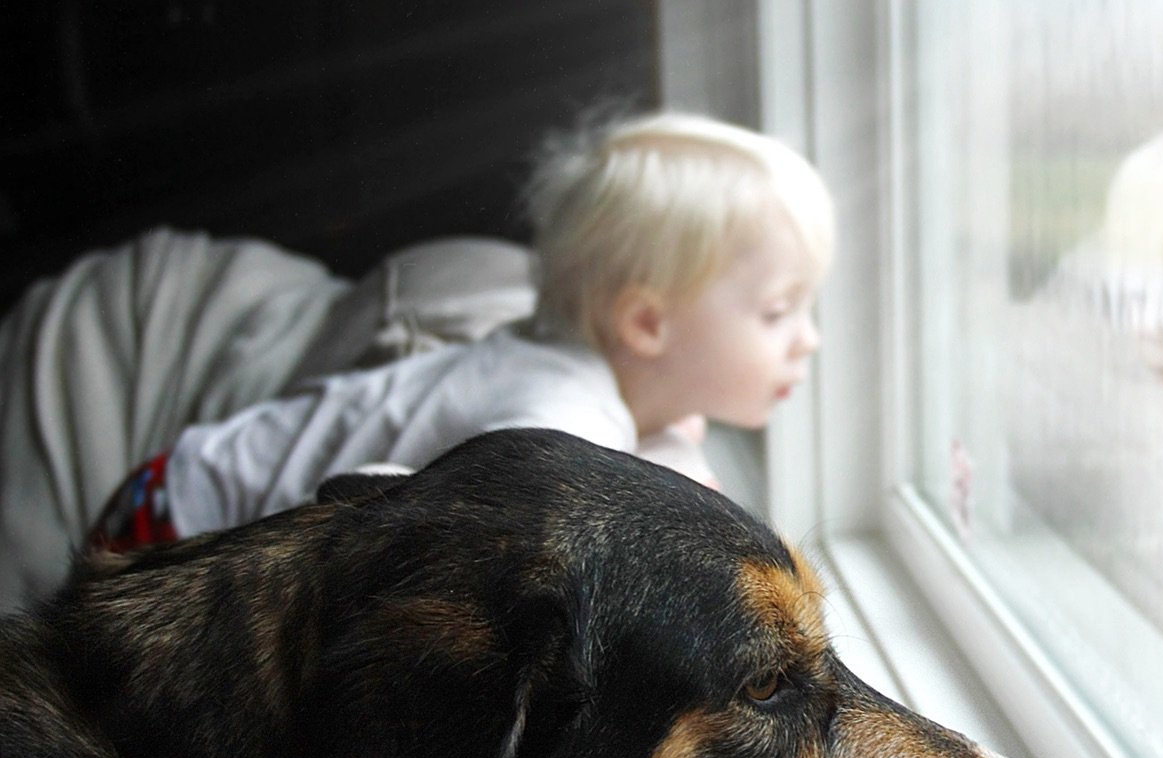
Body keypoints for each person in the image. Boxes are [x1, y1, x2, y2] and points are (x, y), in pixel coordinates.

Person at [89, 111, 836, 548]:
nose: (810, 339)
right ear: (645, 324)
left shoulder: (599, 376)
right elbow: (411, 533)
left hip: (173, 478)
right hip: (173, 525)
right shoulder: (557, 419)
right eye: (778, 312)